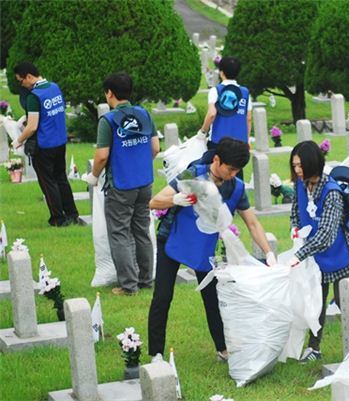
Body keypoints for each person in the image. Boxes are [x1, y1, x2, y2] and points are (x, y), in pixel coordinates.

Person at [147, 137, 275, 363]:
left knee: (213, 298)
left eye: (238, 170)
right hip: (173, 239)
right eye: (231, 168)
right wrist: (176, 199)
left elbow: (252, 223)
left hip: (203, 246)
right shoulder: (193, 173)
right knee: (163, 297)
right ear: (216, 159)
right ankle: (156, 353)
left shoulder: (235, 187)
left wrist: (269, 253)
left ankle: (223, 349)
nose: (234, 174)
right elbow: (155, 201)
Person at [288, 140, 349, 363]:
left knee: (345, 301)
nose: (297, 171)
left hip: (340, 254)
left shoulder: (332, 193)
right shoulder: (300, 185)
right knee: (316, 300)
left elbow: (327, 236)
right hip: (316, 256)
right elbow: (295, 211)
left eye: (301, 166)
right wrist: (295, 229)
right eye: (294, 166)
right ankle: (314, 347)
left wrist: (298, 255)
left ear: (313, 164)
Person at [85, 72, 160, 296]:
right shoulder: (144, 114)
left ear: (109, 93)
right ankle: (146, 280)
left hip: (121, 185)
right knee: (142, 231)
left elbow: (101, 156)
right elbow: (155, 148)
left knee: (119, 234)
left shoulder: (108, 120)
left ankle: (129, 286)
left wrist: (93, 176)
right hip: (144, 182)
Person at [13, 61, 79, 227]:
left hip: (44, 145)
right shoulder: (54, 87)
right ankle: (72, 214)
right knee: (61, 178)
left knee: (48, 183)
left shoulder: (34, 96)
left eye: (21, 81)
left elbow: (33, 126)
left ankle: (58, 219)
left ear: (29, 76)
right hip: (59, 141)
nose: (22, 85)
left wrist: (18, 140)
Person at [199, 56, 252, 150]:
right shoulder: (245, 92)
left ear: (221, 72)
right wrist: (247, 140)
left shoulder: (216, 91)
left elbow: (212, 114)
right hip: (240, 143)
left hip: (218, 141)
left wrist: (203, 132)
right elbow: (248, 118)